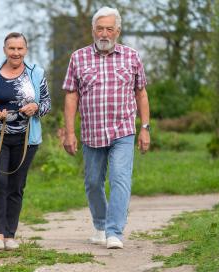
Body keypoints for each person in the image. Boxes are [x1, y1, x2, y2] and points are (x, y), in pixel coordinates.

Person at [62, 6, 150, 249]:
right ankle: (100, 225)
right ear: (93, 30)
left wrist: (145, 127)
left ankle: (114, 232)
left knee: (120, 179)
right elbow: (71, 96)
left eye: (109, 29)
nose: (104, 34)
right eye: (99, 29)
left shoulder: (131, 56)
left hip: (123, 131)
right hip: (91, 132)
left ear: (117, 31)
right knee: (92, 182)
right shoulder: (78, 57)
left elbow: (141, 93)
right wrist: (69, 132)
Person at [0, 32, 51, 251]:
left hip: (26, 139)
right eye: (11, 48)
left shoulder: (36, 74)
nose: (16, 53)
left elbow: (46, 103)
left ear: (25, 50)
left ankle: (10, 234)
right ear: (5, 50)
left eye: (19, 49)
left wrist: (36, 108)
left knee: (16, 185)